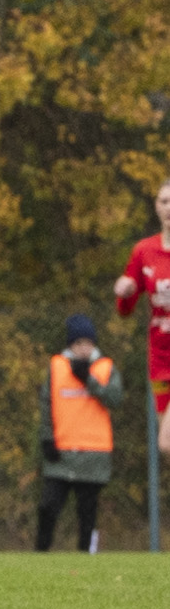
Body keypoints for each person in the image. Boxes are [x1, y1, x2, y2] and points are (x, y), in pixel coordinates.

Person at [36, 313, 120, 553]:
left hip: (94, 454)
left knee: (87, 512)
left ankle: (86, 557)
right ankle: (39, 555)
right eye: (79, 343)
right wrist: (47, 437)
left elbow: (115, 398)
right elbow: (46, 404)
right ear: (71, 345)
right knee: (48, 506)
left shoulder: (105, 367)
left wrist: (89, 381)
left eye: (88, 343)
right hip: (61, 453)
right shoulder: (57, 367)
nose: (84, 349)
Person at [111, 179, 170, 458]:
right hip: (160, 356)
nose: (169, 207)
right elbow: (124, 311)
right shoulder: (144, 251)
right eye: (164, 201)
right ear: (156, 207)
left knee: (166, 442)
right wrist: (126, 292)